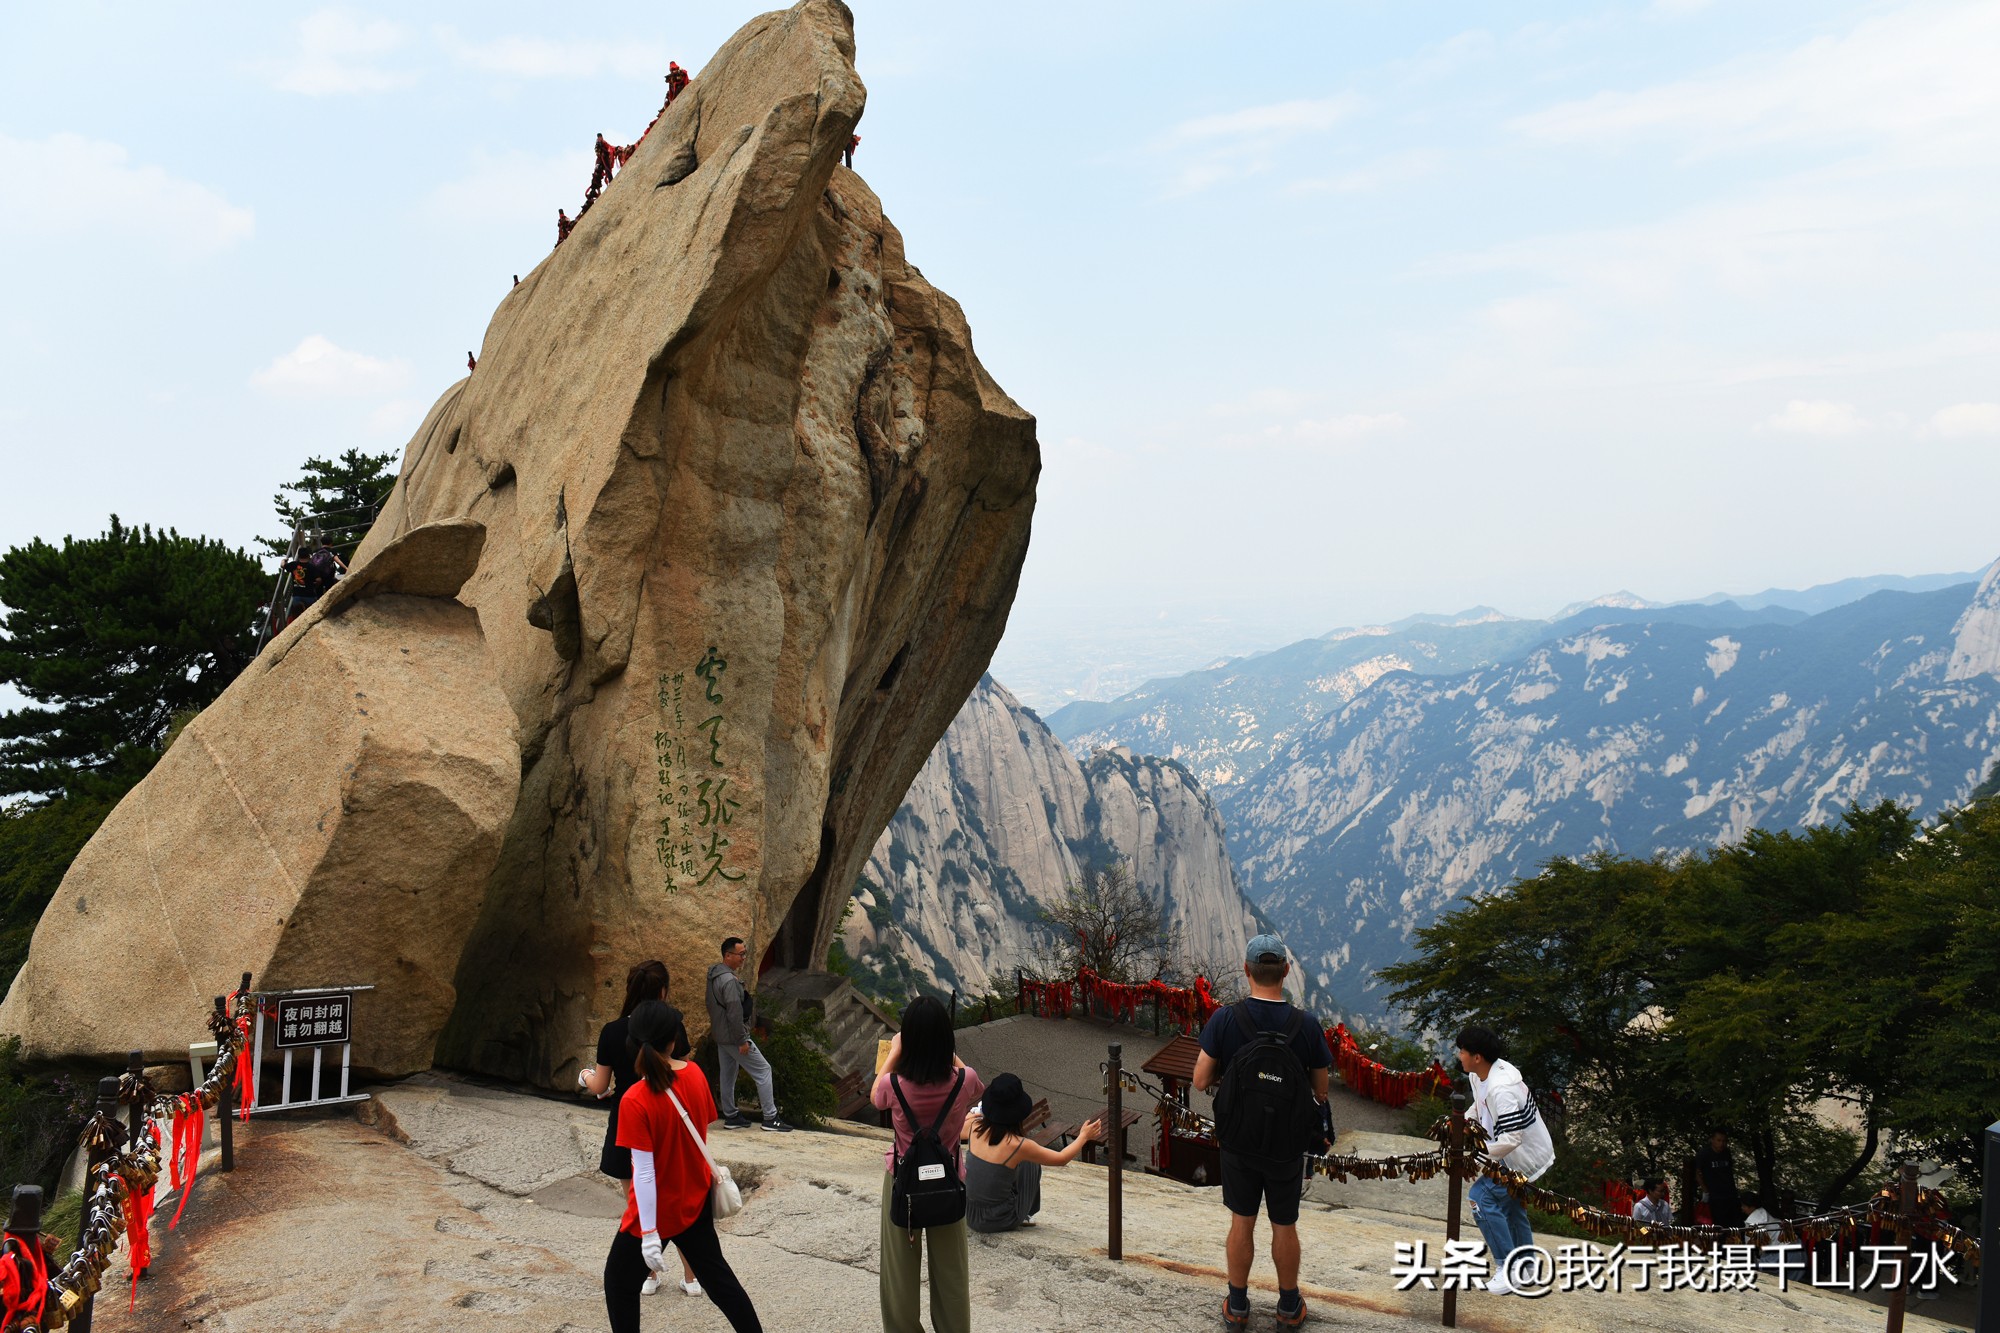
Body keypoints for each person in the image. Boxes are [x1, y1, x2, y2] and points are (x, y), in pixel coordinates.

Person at [1191, 933, 1332, 1329]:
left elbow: (1199, 1081)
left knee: (1242, 1220)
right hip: (1287, 1145)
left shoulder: (1225, 1019)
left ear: (1246, 970)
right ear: (1286, 972)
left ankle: (1237, 1305)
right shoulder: (1306, 1025)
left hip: (1238, 1140)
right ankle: (1288, 1307)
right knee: (1284, 1223)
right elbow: (1321, 1091)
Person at [602, 1000, 762, 1333]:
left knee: (619, 1285)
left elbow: (643, 1173)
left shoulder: (635, 1098)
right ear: (673, 1040)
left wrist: (648, 1234)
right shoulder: (695, 1076)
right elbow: (701, 1129)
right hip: (694, 1198)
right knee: (720, 1283)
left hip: (655, 1211)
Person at [579, 961, 700, 1298]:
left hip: (627, 1119)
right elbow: (682, 1067)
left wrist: (585, 1076)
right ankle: (692, 1278)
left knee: (638, 1203)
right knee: (676, 1203)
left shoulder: (612, 1030)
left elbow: (600, 1084)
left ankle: (649, 1273)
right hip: (668, 1119)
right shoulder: (671, 1024)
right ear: (663, 992)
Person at [872, 996, 983, 1333]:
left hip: (902, 1182)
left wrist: (895, 1050)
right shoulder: (963, 1082)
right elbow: (976, 1084)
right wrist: (945, 1050)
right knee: (951, 1272)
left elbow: (875, 1095)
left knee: (899, 1272)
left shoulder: (893, 1085)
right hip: (948, 1182)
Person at [1456, 1025, 1556, 1297]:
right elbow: (1479, 1106)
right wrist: (1462, 1123)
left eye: (1462, 1051)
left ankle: (1507, 1267)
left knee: (1481, 1198)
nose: (1458, 1055)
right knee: (1512, 1207)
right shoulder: (1480, 1076)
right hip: (1510, 1152)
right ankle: (1526, 1266)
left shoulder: (1502, 1088)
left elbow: (1512, 1138)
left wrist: (1478, 1157)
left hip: (1522, 1157)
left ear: (1477, 1056)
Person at [962, 1073, 1100, 1233]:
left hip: (970, 1213)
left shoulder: (973, 1127)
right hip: (998, 1219)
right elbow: (1061, 1159)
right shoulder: (1018, 1145)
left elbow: (959, 1128)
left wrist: (971, 1116)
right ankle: (1027, 1213)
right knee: (1031, 1161)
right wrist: (1084, 1136)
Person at [705, 937, 792, 1132]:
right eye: (741, 954)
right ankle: (771, 1117)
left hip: (721, 1035)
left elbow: (711, 1006)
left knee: (728, 1075)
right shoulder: (728, 981)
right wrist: (742, 1040)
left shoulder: (714, 976)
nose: (744, 958)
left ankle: (731, 1115)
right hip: (734, 1037)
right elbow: (734, 1013)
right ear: (728, 956)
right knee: (763, 1070)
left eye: (745, 953)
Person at [1694, 1130, 1745, 1228]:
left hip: (1730, 1192)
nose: (1721, 1143)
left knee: (1736, 1222)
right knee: (1719, 1223)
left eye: (1724, 1141)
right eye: (1719, 1140)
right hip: (1715, 1195)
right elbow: (1697, 1173)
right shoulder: (1704, 1154)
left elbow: (1729, 1171)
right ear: (1712, 1140)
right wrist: (1705, 1191)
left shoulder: (1726, 1152)